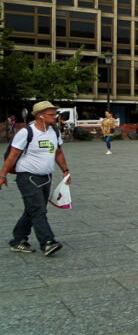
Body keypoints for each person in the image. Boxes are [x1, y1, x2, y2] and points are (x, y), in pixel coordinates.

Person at [1, 101, 69, 256]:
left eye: (55, 113)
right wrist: (2, 175)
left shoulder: (54, 132)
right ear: (40, 116)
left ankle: (18, 239)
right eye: (51, 114)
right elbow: (12, 156)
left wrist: (65, 170)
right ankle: (47, 242)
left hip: (46, 177)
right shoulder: (26, 133)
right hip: (27, 177)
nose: (55, 116)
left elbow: (58, 153)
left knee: (33, 210)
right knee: (38, 209)